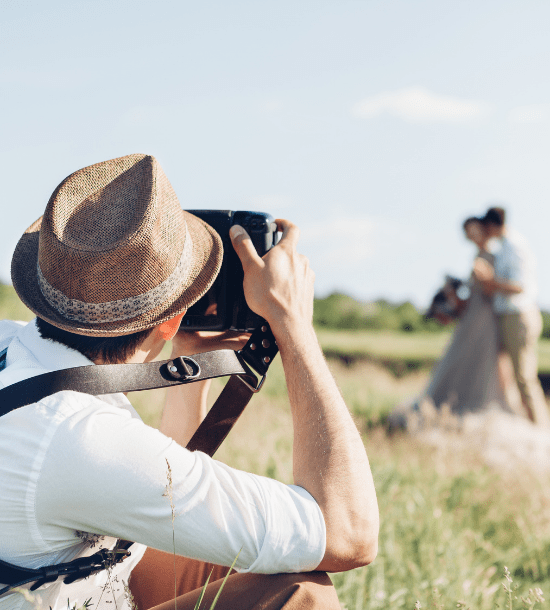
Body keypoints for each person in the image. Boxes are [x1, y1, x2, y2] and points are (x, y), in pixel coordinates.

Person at [0, 154, 379, 610]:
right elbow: (349, 534)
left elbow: (152, 476)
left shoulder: (15, 347)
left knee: (218, 551)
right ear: (172, 318)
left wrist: (189, 360)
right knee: (302, 594)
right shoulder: (79, 435)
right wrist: (293, 324)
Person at [390, 216, 509, 427]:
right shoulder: (479, 255)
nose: (473, 237)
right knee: (458, 356)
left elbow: (492, 288)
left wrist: (483, 279)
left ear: (484, 230)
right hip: (472, 314)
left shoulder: (494, 256)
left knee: (478, 358)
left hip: (485, 316)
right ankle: (447, 402)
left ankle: (476, 402)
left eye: (475, 231)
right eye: (469, 233)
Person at [474, 206, 550, 427]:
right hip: (510, 316)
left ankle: (541, 427)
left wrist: (490, 281)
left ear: (490, 225)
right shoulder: (505, 246)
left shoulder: (515, 246)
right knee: (510, 375)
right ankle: (528, 421)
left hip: (518, 316)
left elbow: (519, 287)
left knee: (524, 376)